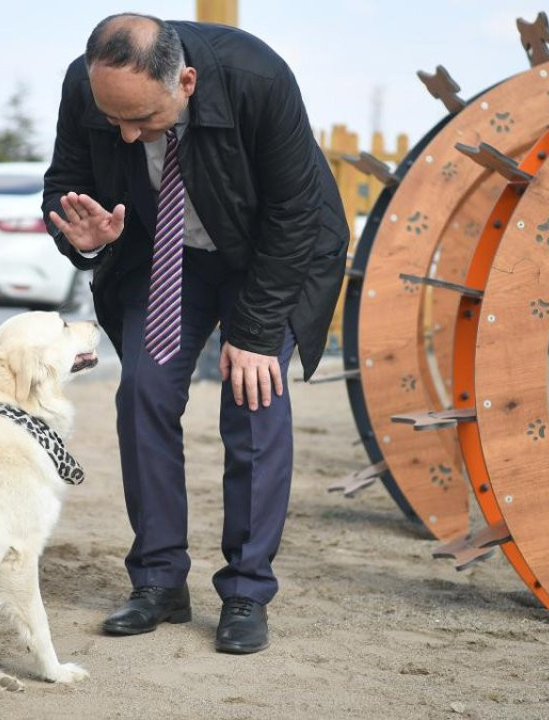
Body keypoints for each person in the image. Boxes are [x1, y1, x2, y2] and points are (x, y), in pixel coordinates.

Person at [42, 13, 348, 655]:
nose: (125, 134)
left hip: (269, 255)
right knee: (144, 393)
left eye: (142, 120)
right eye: (113, 119)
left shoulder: (256, 78)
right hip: (167, 257)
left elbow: (296, 213)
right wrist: (81, 236)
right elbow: (65, 184)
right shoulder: (88, 85)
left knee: (253, 397)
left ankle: (245, 591)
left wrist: (257, 332)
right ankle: (158, 583)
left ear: (185, 81)